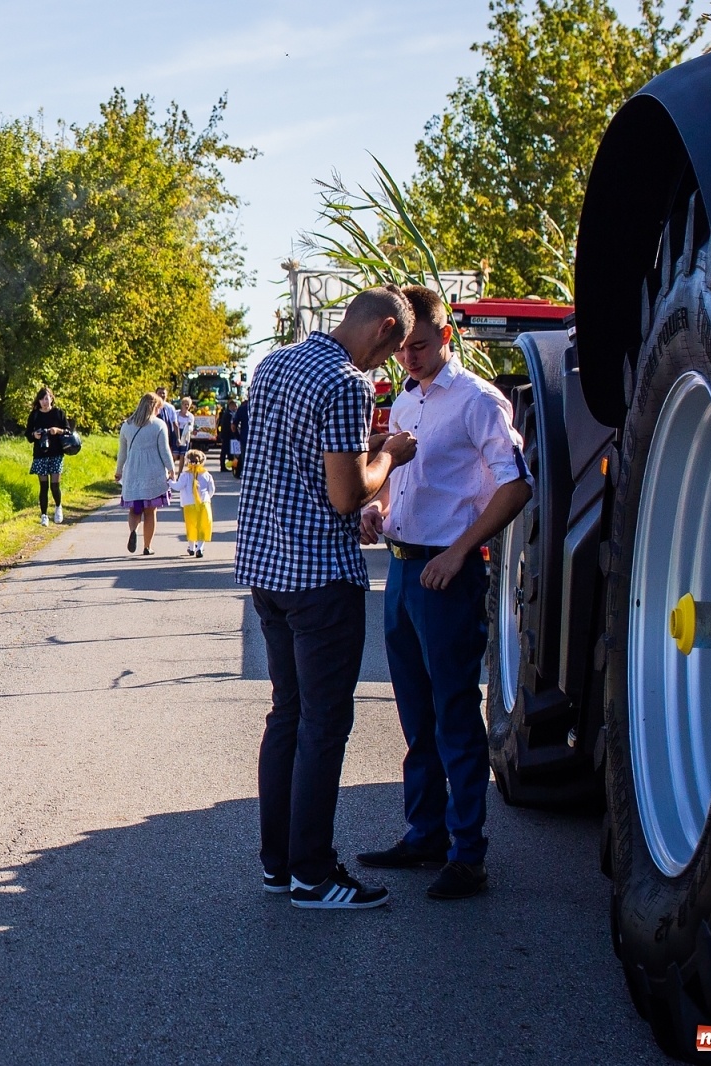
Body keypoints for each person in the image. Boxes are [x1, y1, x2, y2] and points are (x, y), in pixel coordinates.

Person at [235, 284, 417, 910]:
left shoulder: (275, 364)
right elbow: (347, 494)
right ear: (383, 328)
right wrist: (389, 456)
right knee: (324, 724)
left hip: (268, 570)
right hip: (319, 576)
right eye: (390, 349)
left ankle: (278, 863)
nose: (386, 363)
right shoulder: (346, 382)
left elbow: (293, 467)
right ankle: (313, 874)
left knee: (286, 715)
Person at [355, 286, 532, 900]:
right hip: (403, 570)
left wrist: (461, 551)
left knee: (455, 710)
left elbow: (515, 486)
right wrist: (376, 509)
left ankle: (467, 854)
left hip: (447, 572)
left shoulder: (478, 402)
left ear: (446, 335)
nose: (411, 359)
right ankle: (424, 832)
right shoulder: (404, 402)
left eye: (422, 347)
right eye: (403, 350)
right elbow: (394, 478)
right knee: (415, 713)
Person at [115, 392, 176, 556]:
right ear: (154, 407)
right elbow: (164, 451)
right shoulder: (158, 425)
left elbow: (122, 452)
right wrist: (171, 469)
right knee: (151, 511)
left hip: (133, 473)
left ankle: (133, 530)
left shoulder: (127, 425)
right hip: (153, 473)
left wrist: (118, 471)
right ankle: (147, 546)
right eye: (159, 408)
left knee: (134, 510)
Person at [26, 387, 69, 526]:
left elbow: (68, 431)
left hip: (56, 453)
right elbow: (27, 434)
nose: (45, 401)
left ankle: (58, 507)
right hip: (40, 454)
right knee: (43, 486)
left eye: (47, 398)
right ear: (38, 401)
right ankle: (44, 515)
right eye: (42, 399)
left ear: (51, 398)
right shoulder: (34, 415)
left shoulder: (58, 413)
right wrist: (34, 435)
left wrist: (57, 430)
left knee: (54, 485)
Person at [174, 449, 215, 558]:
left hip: (189, 504)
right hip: (204, 503)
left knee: (191, 525)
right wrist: (207, 497)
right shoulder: (206, 474)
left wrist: (169, 482)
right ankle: (200, 548)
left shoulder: (185, 475)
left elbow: (178, 487)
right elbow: (212, 489)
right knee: (203, 526)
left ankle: (191, 548)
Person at [172, 396, 196, 473]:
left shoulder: (191, 416)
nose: (186, 406)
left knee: (183, 456)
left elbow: (191, 427)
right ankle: (170, 472)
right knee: (175, 455)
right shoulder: (176, 413)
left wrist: (193, 430)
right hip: (176, 434)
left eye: (188, 404)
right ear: (181, 404)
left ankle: (179, 474)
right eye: (185, 404)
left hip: (185, 436)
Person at [216, 398, 238, 471]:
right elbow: (227, 426)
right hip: (227, 436)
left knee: (229, 452)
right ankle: (223, 466)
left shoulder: (229, 413)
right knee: (225, 451)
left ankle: (231, 466)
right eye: (235, 406)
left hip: (228, 436)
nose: (236, 408)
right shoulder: (228, 414)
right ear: (231, 406)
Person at [229, 398, 248, 479]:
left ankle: (245, 476)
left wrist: (238, 437)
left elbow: (233, 426)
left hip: (245, 439)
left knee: (245, 460)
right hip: (261, 440)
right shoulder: (264, 407)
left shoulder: (242, 409)